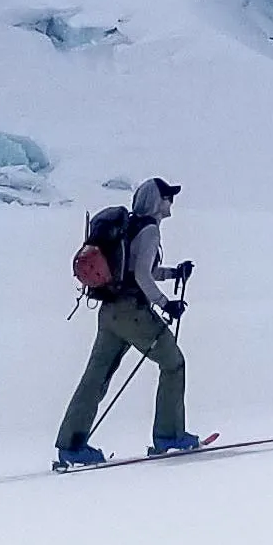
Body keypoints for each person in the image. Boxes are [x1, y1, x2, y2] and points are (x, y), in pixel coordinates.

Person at [53, 177, 198, 466]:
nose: (171, 202)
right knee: (173, 363)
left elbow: (136, 271)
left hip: (109, 312)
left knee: (96, 377)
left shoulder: (129, 228)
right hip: (133, 312)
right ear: (158, 201)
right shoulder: (149, 231)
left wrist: (172, 274)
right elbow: (143, 275)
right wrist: (165, 303)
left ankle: (71, 445)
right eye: (168, 196)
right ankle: (169, 436)